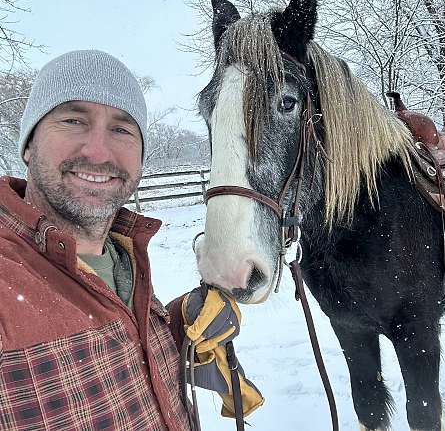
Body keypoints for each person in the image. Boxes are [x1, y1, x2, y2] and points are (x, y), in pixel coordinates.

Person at [0, 50, 262, 431]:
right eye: (73, 120)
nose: (98, 151)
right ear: (27, 144)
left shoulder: (123, 256)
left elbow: (106, 356)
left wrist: (177, 326)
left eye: (122, 129)